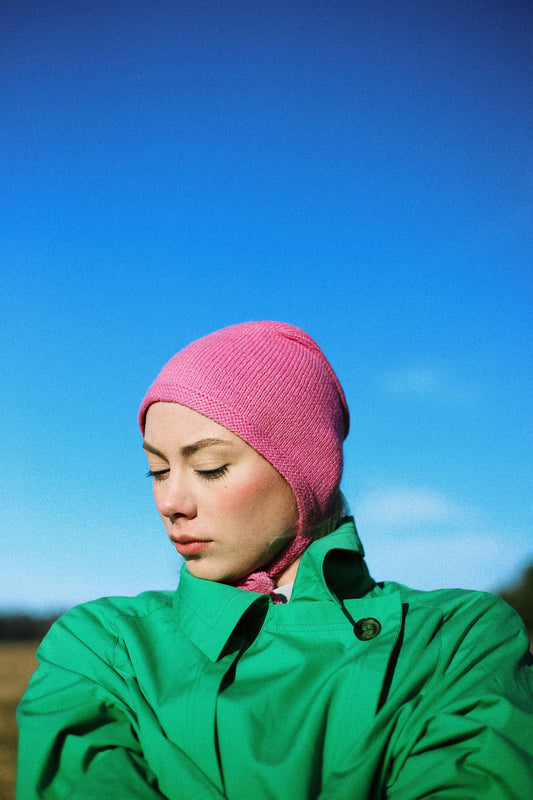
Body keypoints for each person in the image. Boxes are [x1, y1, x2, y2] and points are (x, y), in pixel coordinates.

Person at [16, 321, 533, 799]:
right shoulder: (102, 648)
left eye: (211, 467)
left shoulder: (455, 642)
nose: (170, 501)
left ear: (306, 468)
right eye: (157, 470)